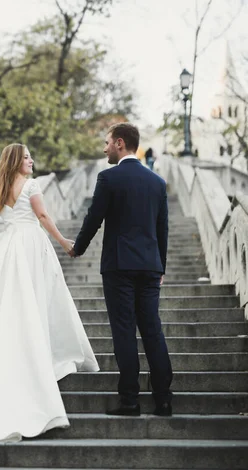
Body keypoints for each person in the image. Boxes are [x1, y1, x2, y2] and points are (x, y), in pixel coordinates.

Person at [0, 143, 99, 442]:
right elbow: (42, 217)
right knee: (37, 301)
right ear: (16, 161)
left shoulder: (0, 191)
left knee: (13, 306)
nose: (32, 160)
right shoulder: (32, 185)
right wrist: (64, 241)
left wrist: (4, 237)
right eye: (27, 157)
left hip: (10, 249)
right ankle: (40, 362)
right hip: (31, 245)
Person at [69, 123, 173, 417]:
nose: (104, 149)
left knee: (124, 331)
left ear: (119, 143)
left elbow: (94, 218)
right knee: (152, 330)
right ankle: (163, 399)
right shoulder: (157, 183)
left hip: (119, 266)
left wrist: (78, 247)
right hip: (151, 266)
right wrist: (160, 265)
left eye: (106, 143)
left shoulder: (109, 178)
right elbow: (162, 229)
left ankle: (130, 400)